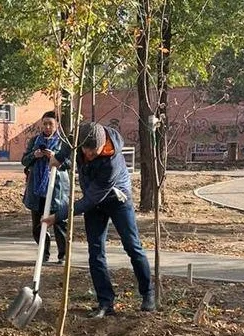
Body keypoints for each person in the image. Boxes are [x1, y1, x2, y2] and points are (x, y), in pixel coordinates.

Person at [45, 122, 154, 316]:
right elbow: (69, 140)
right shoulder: (81, 136)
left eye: (93, 153)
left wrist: (58, 216)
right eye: (85, 152)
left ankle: (148, 294)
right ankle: (105, 303)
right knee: (95, 252)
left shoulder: (112, 162)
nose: (88, 156)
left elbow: (90, 200)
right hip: (92, 198)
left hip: (117, 199)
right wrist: (59, 158)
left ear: (102, 146)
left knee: (132, 246)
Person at [21, 111, 70, 264]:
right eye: (45, 124)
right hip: (36, 189)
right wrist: (34, 156)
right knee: (37, 225)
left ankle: (63, 255)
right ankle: (44, 253)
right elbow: (24, 161)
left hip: (56, 189)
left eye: (51, 124)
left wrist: (55, 156)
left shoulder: (63, 142)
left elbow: (69, 164)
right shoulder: (35, 140)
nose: (47, 127)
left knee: (60, 224)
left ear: (56, 125)